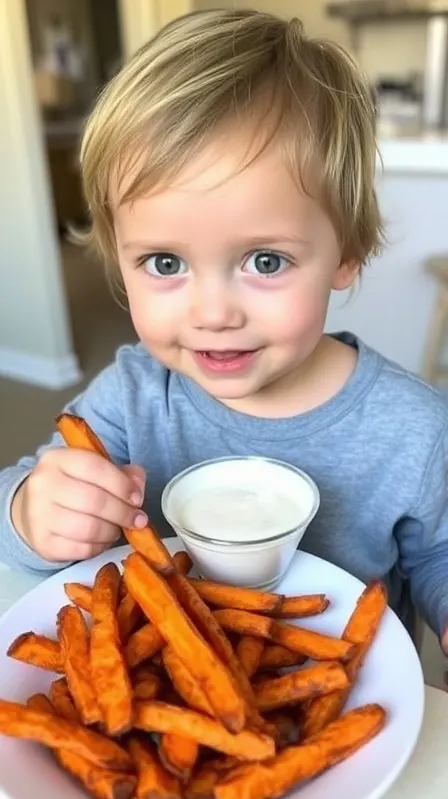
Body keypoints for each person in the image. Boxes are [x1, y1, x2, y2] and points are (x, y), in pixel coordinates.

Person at [1, 9, 447, 650]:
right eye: (164, 263)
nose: (213, 314)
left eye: (266, 261)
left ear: (346, 253)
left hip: (352, 704)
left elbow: (437, 556)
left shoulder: (414, 427)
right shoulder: (130, 397)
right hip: (172, 721)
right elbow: (22, 493)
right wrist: (32, 512)